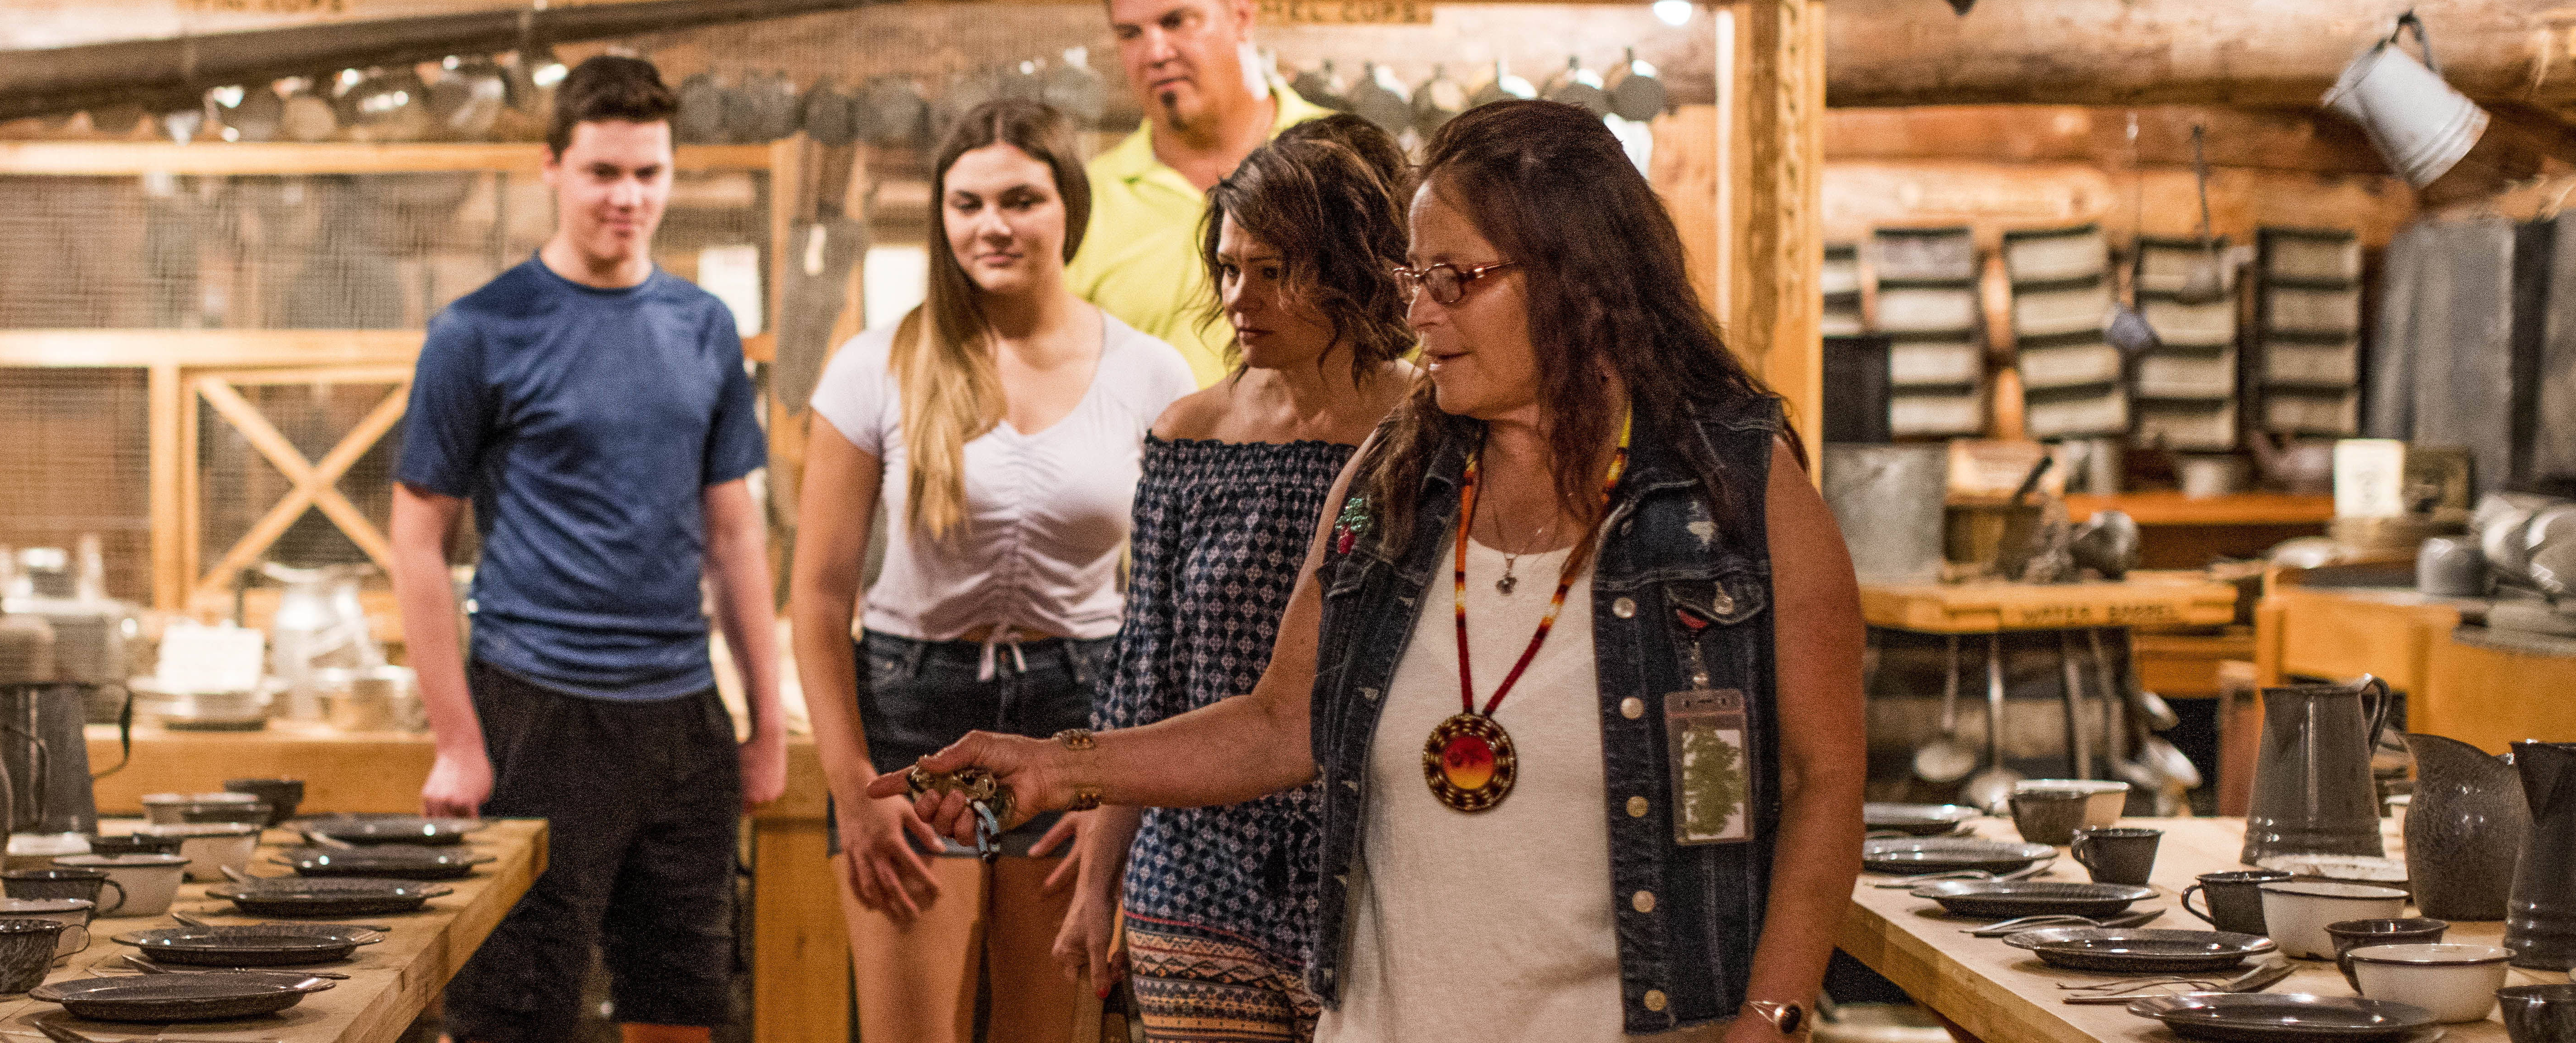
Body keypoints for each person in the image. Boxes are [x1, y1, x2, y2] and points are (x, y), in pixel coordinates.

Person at [882, 99, 1867, 1043]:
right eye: (1414, 276)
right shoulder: (1398, 472)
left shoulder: (1736, 486)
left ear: (1582, 278)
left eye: (1457, 278)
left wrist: (1769, 1019)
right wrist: (1057, 766)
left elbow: (1823, 779)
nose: (1419, 309)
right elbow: (1280, 721)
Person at [389, 55, 787, 1043]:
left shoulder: (704, 328)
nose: (628, 196)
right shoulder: (477, 330)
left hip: (682, 711)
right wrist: (456, 738)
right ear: (552, 168)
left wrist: (766, 722)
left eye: (649, 172)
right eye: (604, 171)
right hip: (536, 709)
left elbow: (734, 533)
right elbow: (416, 537)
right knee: (515, 1011)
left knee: (683, 1002)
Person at [791, 98, 1196, 1043]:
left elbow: (1169, 621)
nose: (992, 224)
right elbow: (814, 598)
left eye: (1020, 198)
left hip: (1081, 718)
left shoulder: (1151, 374)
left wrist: (1118, 792)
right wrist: (852, 786)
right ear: (940, 215)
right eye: (966, 202)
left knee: (1041, 1030)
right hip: (906, 712)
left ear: (1070, 210)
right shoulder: (875, 363)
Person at [1060, 118, 1418, 1043]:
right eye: (1228, 267)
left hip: (1373, 862)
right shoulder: (1192, 432)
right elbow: (1143, 676)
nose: (1239, 295)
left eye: (1273, 270)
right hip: (1195, 862)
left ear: (1348, 268)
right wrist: (1099, 880)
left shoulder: (1430, 426)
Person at [1066, 0, 1334, 385]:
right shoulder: (1084, 199)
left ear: (1242, 17)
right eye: (1130, 33)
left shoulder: (1341, 161)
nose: (1154, 52)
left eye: (1176, 21)